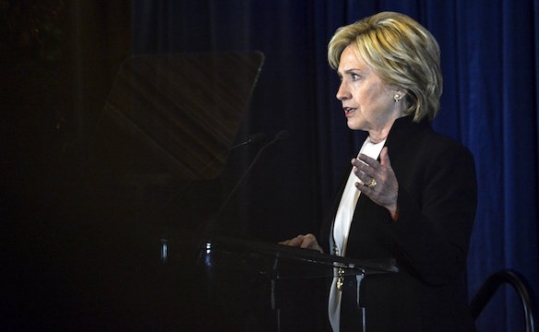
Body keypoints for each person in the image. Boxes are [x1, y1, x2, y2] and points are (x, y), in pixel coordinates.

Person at [280, 11, 477, 331]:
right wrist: (321, 257)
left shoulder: (444, 158)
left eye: (355, 76)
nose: (340, 92)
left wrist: (396, 204)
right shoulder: (357, 160)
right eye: (341, 78)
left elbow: (444, 267)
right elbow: (360, 259)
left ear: (399, 83)